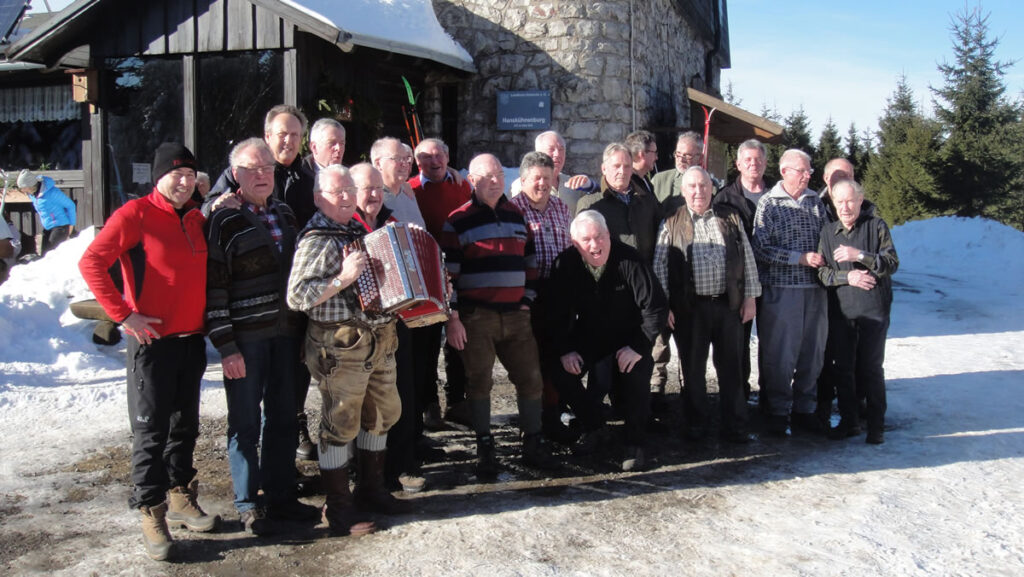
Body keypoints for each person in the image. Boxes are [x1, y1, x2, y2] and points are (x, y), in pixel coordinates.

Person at [78, 143, 216, 561]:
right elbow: (92, 263)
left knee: (185, 426)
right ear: (158, 176)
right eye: (176, 174)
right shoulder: (135, 214)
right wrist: (123, 315)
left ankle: (180, 497)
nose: (183, 181)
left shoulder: (195, 217)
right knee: (151, 432)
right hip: (151, 346)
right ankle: (150, 511)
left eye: (190, 174)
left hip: (190, 341)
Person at [286, 164, 409, 537]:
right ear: (318, 196)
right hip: (339, 345)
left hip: (376, 340)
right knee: (340, 423)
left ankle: (371, 489)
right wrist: (344, 277)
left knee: (381, 414)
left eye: (348, 191)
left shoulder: (357, 230)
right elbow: (297, 296)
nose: (345, 197)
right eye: (336, 192)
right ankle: (338, 508)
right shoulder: (317, 238)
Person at [205, 139, 317, 535]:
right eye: (252, 168)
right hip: (246, 340)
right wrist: (226, 345)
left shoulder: (285, 213)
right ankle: (248, 503)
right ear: (235, 174)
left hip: (286, 335)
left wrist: (304, 333)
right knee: (245, 422)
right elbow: (214, 287)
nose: (262, 174)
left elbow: (299, 278)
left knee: (285, 417)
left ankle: (281, 495)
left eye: (267, 167)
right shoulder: (223, 219)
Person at [441, 153, 560, 478]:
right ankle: (485, 449)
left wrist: (527, 299)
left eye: (498, 176)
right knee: (479, 383)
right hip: (477, 317)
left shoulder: (516, 215)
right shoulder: (457, 220)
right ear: (472, 181)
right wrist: (453, 318)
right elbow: (447, 276)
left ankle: (532, 443)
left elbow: (531, 261)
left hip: (517, 317)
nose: (494, 181)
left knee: (530, 379)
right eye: (486, 177)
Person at [547, 210, 667, 470]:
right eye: (586, 240)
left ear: (608, 235)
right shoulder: (565, 264)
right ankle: (594, 427)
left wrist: (638, 346)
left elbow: (655, 307)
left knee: (636, 376)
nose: (594, 245)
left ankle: (635, 441)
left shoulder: (629, 260)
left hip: (630, 335)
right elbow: (555, 313)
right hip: (590, 334)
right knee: (558, 370)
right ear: (574, 243)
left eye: (599, 237)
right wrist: (566, 349)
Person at [654, 167, 761, 444]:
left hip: (729, 306)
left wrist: (750, 296)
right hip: (690, 309)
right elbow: (660, 266)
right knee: (692, 371)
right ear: (683, 190)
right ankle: (696, 426)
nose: (698, 191)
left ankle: (735, 426)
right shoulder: (671, 221)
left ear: (711, 189)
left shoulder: (730, 217)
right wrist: (665, 306)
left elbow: (747, 257)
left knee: (732, 368)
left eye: (703, 186)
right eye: (691, 186)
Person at [349, 162, 425, 493]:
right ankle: (361, 476)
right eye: (367, 188)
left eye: (378, 189)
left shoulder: (393, 223)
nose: (374, 195)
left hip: (395, 326)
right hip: (355, 332)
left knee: (399, 396)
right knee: (357, 404)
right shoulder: (344, 227)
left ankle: (397, 467)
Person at [750, 149, 829, 436]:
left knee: (813, 352)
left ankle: (804, 409)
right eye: (802, 171)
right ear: (785, 172)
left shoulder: (816, 204)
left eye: (809, 171)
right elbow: (761, 248)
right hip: (782, 291)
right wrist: (798, 258)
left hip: (815, 289)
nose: (808, 175)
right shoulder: (769, 204)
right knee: (780, 354)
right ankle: (778, 410)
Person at [817, 179, 898, 444]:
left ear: (860, 201)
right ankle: (849, 422)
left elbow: (890, 263)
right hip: (842, 311)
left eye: (850, 200)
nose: (845, 206)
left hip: (874, 310)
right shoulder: (828, 232)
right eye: (839, 201)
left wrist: (860, 255)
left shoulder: (876, 226)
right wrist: (847, 276)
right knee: (843, 369)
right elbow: (822, 273)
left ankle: (876, 426)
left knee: (871, 368)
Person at [508, 151, 574, 444]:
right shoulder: (512, 211)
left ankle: (553, 417)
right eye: (536, 178)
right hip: (527, 296)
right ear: (523, 180)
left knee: (556, 358)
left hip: (559, 295)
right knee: (530, 364)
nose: (542, 183)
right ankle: (532, 425)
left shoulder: (561, 207)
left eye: (547, 178)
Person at [410, 137, 472, 428]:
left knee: (459, 338)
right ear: (416, 160)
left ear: (448, 157)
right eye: (426, 158)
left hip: (459, 270)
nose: (434, 162)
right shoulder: (409, 190)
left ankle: (456, 401)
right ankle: (429, 404)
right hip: (424, 276)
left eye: (439, 156)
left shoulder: (462, 185)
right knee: (429, 342)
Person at [713, 139, 772, 400]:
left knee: (772, 341)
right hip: (738, 282)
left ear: (766, 163)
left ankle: (771, 394)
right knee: (739, 342)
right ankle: (740, 393)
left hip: (772, 280)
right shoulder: (724, 198)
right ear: (737, 164)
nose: (753, 164)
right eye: (747, 160)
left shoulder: (775, 195)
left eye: (758, 159)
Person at [576, 142, 662, 263]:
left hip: (643, 275)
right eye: (616, 166)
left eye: (627, 166)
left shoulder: (647, 200)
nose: (622, 171)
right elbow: (583, 248)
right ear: (604, 169)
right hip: (610, 277)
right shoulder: (590, 204)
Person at [510, 130, 594, 214]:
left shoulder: (573, 184)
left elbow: (599, 200)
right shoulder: (521, 187)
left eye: (561, 149)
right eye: (551, 149)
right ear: (538, 153)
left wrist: (590, 185)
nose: (557, 154)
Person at [17, 169, 76, 255]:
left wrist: (72, 225)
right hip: (48, 226)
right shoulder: (33, 194)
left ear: (30, 185)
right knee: (44, 255)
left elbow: (71, 205)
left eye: (23, 188)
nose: (22, 191)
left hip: (60, 226)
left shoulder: (52, 193)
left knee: (51, 255)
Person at [651, 132, 703, 211]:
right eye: (678, 154)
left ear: (700, 158)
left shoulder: (708, 185)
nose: (681, 160)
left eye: (687, 155)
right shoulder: (659, 180)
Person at [625, 129, 658, 197]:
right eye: (654, 153)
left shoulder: (644, 179)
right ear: (642, 154)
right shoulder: (628, 184)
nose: (656, 158)